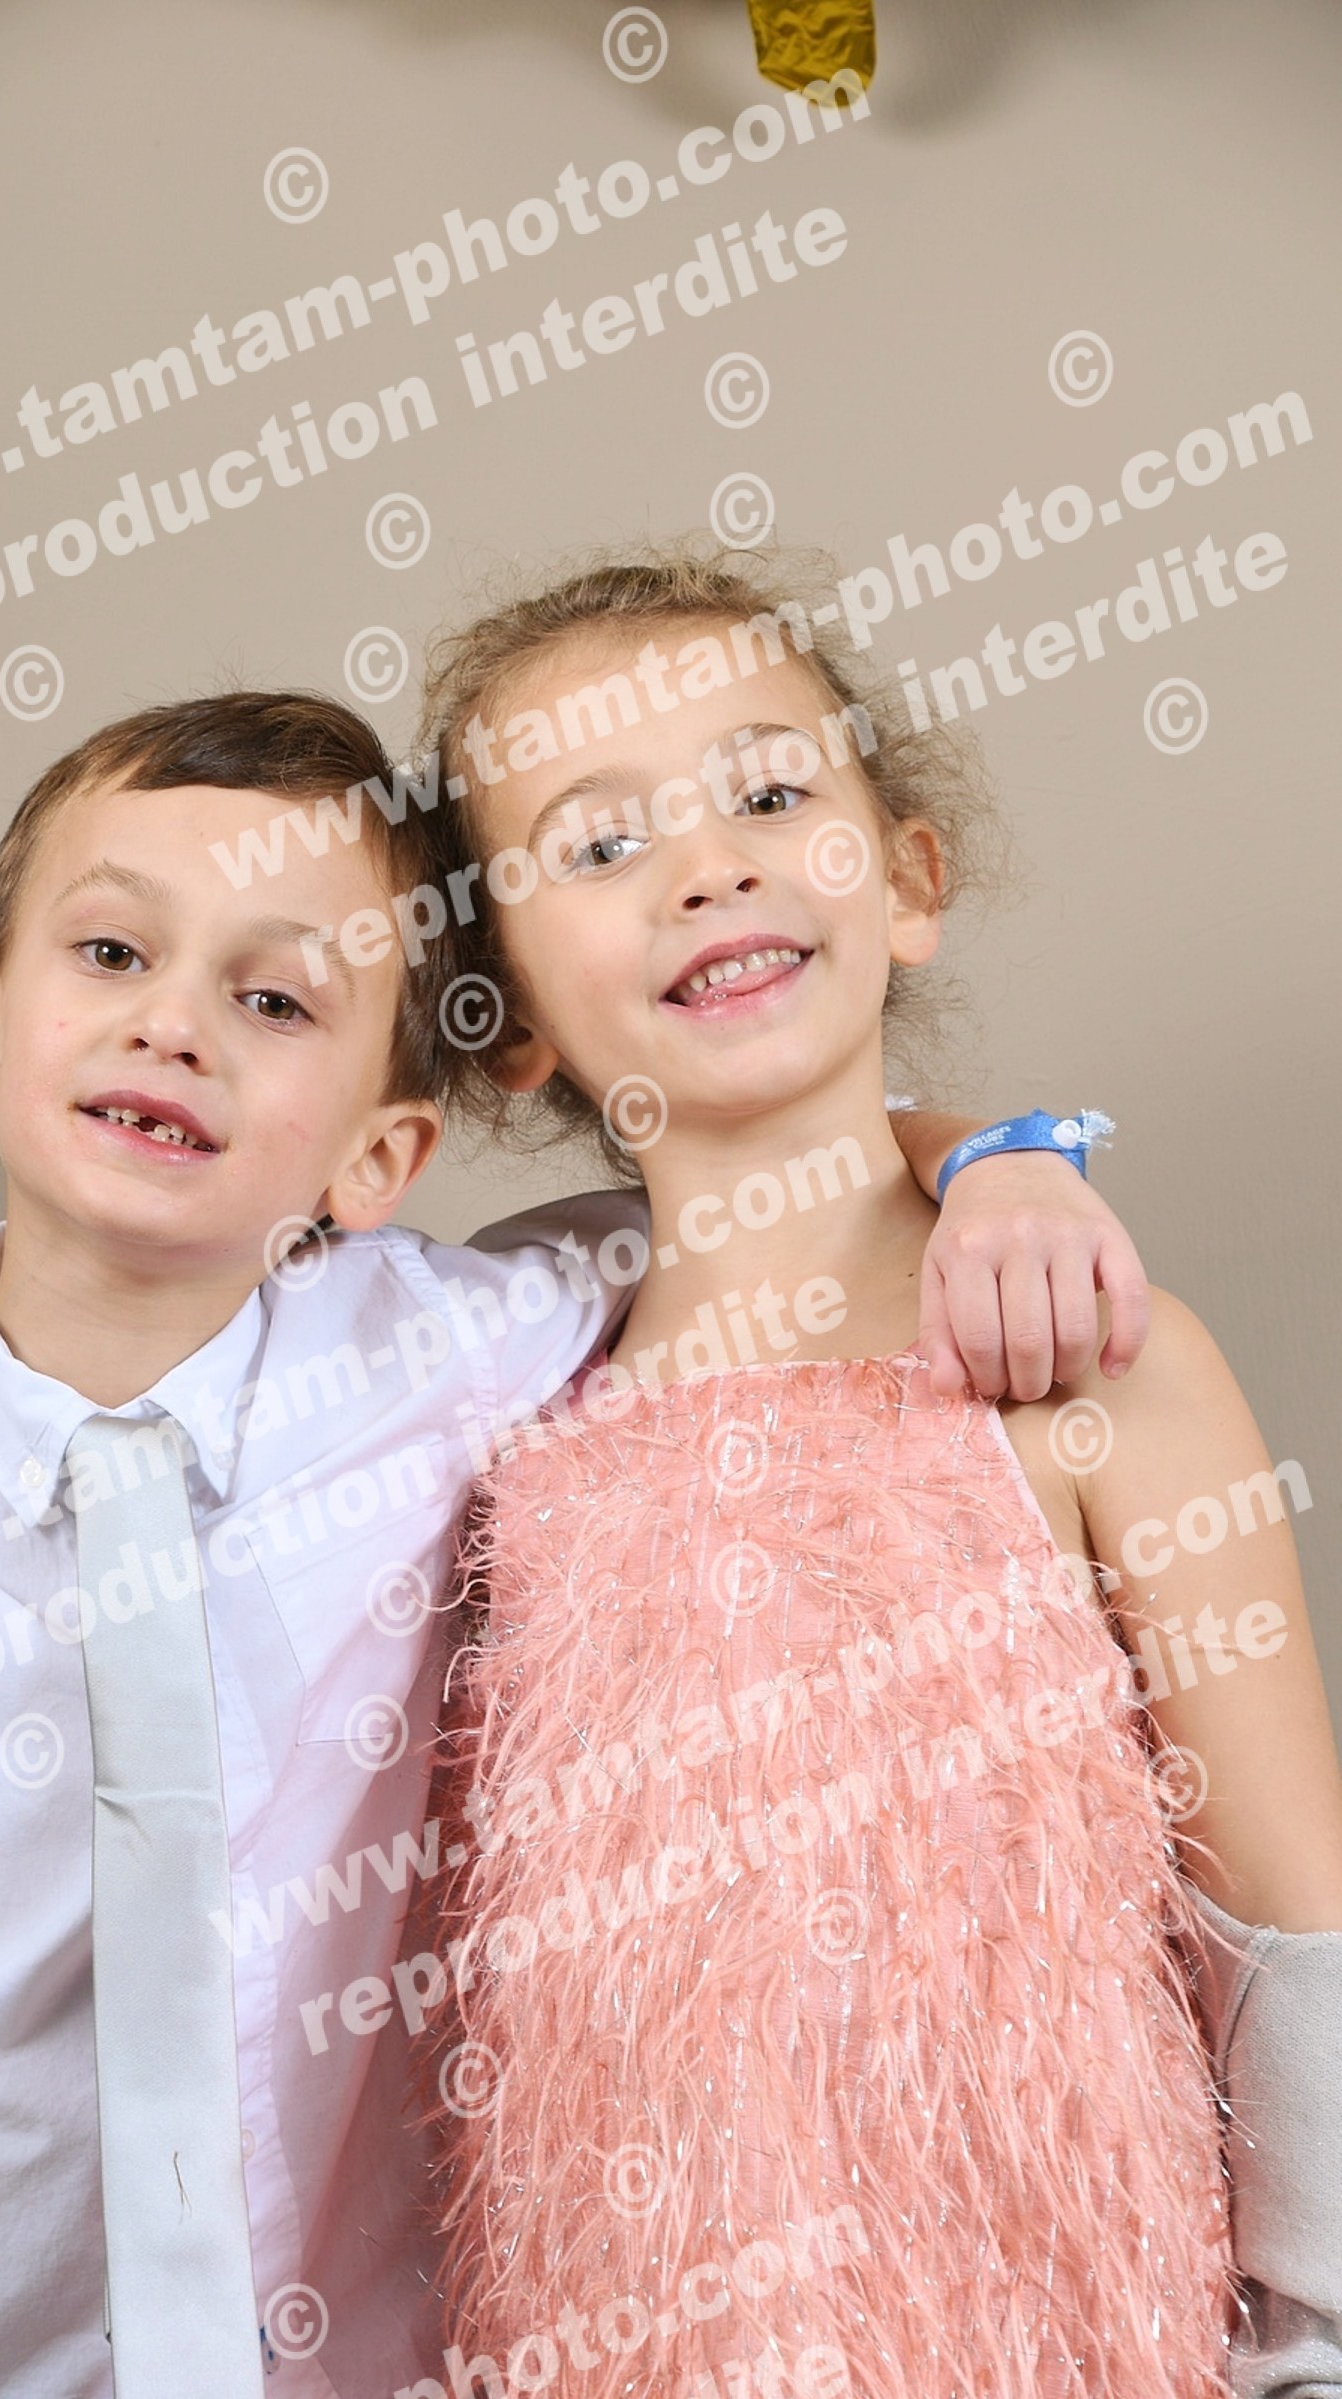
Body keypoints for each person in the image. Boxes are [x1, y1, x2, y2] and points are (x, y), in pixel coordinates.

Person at [0, 682, 1139, 2399]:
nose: (174, 1027)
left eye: (273, 999)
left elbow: (783, 1187)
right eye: (111, 955)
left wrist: (1006, 1163)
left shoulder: (440, 1354)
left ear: (382, 1154)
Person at [398, 548, 1342, 2399]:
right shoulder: (489, 1408)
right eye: (602, 846)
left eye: (768, 795)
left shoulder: (1084, 1354)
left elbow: (1293, 1936)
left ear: (904, 881)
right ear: (504, 1019)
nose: (707, 867)